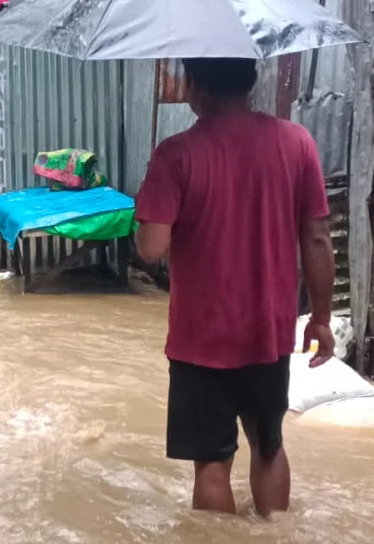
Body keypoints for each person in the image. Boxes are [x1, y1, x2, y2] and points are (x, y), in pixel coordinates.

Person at [134, 57, 335, 517]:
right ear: (249, 81)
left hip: (200, 341)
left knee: (212, 464)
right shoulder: (296, 142)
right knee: (269, 448)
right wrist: (321, 318)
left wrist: (144, 211)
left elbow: (151, 248)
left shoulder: (176, 154)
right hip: (269, 333)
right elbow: (319, 237)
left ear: (194, 83)